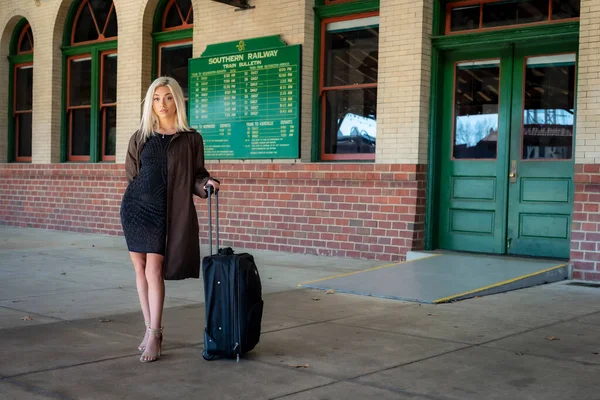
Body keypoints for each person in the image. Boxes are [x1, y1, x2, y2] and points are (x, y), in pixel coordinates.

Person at [120, 76, 220, 363]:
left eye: (167, 97)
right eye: (156, 98)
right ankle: (149, 328)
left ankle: (156, 333)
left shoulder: (190, 138)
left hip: (167, 211)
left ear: (177, 100)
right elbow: (132, 176)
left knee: (154, 268)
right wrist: (138, 198)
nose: (162, 104)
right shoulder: (141, 136)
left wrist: (208, 184)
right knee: (140, 269)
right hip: (135, 208)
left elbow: (197, 176)